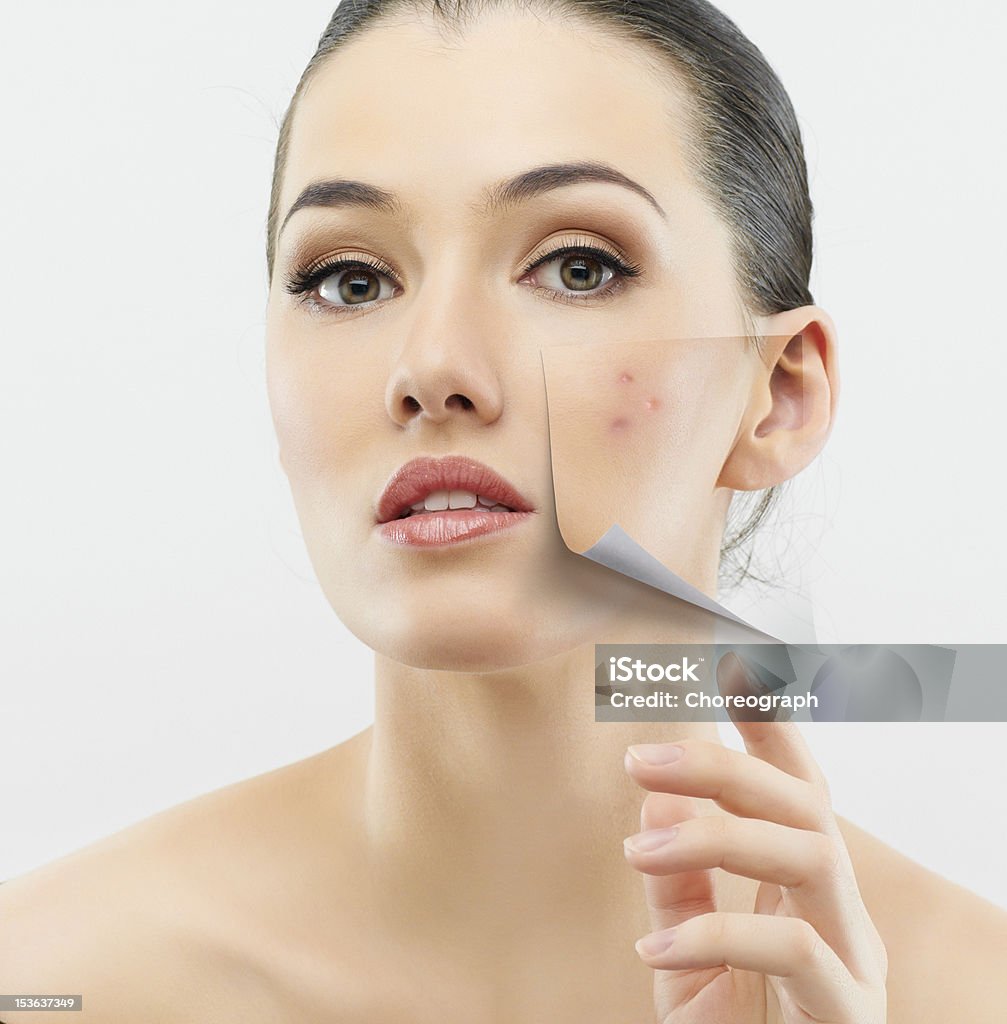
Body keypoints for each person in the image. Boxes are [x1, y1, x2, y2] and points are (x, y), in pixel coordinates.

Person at [2, 1, 1005, 1021]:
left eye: (575, 266)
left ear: (777, 390)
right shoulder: (49, 979)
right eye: (349, 280)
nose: (431, 366)